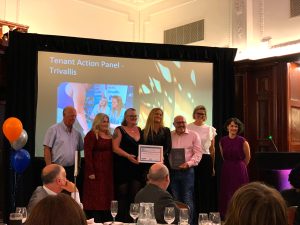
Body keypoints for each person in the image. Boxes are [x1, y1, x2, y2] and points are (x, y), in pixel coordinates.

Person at [112, 108, 144, 222]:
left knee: (135, 195)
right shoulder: (119, 130)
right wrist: (128, 156)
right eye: (131, 116)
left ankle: (133, 221)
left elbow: (143, 148)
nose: (134, 118)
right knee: (122, 195)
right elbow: (115, 148)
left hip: (137, 167)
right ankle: (121, 221)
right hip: (123, 167)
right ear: (125, 117)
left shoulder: (140, 129)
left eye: (135, 116)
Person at [170, 115, 202, 224]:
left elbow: (198, 153)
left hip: (187, 171)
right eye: (178, 123)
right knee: (175, 199)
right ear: (174, 124)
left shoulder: (194, 135)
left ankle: (189, 223)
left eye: (183, 122)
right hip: (172, 171)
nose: (181, 124)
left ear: (186, 123)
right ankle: (178, 223)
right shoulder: (169, 135)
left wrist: (188, 164)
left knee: (187, 199)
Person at [82, 113, 114, 222]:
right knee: (96, 197)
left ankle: (107, 220)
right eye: (103, 121)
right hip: (95, 171)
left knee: (106, 197)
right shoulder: (91, 135)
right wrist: (91, 171)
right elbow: (87, 154)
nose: (105, 124)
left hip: (108, 172)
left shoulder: (111, 135)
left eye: (107, 121)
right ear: (98, 122)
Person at [187, 105, 217, 213]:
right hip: (192, 159)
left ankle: (203, 215)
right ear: (194, 114)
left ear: (205, 116)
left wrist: (213, 167)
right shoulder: (188, 127)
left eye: (203, 114)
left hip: (205, 160)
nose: (200, 115)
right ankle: (192, 216)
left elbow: (212, 149)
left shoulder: (210, 129)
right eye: (198, 113)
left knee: (205, 189)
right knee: (192, 188)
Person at [219, 117, 251, 219]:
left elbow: (248, 157)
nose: (233, 128)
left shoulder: (242, 141)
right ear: (228, 127)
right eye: (232, 126)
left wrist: (241, 167)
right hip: (227, 168)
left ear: (238, 128)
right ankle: (227, 216)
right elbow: (223, 156)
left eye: (236, 126)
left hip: (239, 169)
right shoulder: (222, 141)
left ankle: (240, 215)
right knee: (226, 191)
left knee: (239, 191)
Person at [43, 106, 83, 182]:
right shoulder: (53, 130)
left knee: (69, 193)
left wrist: (78, 167)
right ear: (64, 115)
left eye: (75, 116)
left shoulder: (77, 134)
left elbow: (78, 152)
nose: (73, 118)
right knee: (57, 193)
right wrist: (49, 168)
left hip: (72, 170)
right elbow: (47, 149)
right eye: (71, 115)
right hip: (57, 168)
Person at [142, 108, 171, 176]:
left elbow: (168, 147)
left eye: (160, 115)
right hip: (148, 163)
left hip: (162, 161)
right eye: (156, 114)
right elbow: (142, 147)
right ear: (151, 115)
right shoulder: (144, 131)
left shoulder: (166, 130)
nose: (159, 116)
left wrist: (160, 155)